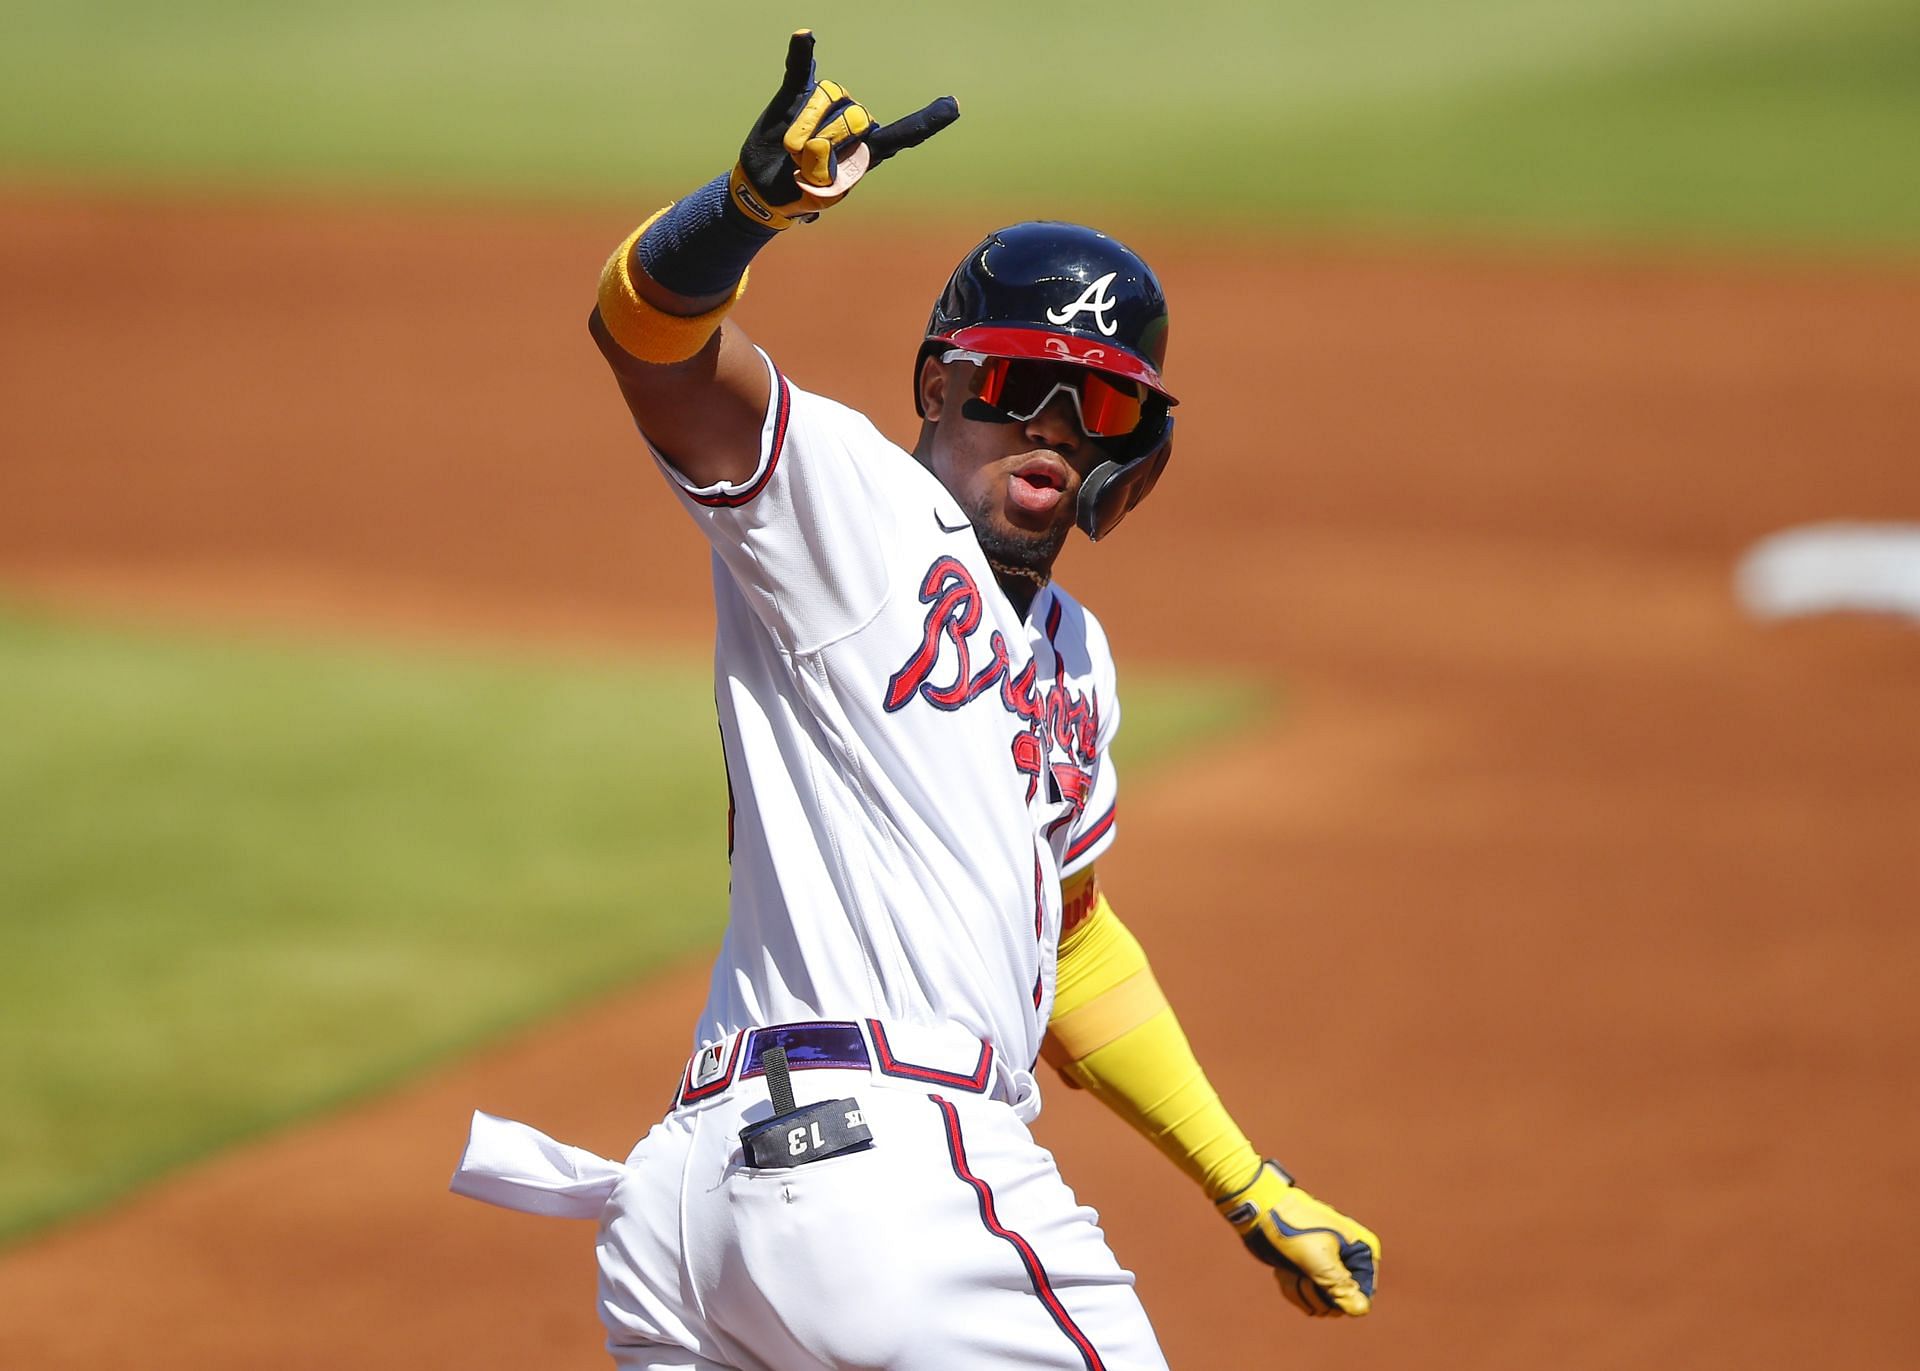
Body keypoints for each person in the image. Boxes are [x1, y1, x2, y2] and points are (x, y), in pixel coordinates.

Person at [451, 31, 1379, 1370]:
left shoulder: (1073, 658)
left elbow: (1071, 946)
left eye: (1101, 407)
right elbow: (647, 341)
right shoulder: (852, 510)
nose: (1054, 427)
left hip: (705, 1213)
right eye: (1017, 389)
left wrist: (1244, 1180)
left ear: (1136, 450)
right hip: (883, 1173)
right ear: (939, 385)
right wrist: (745, 210)